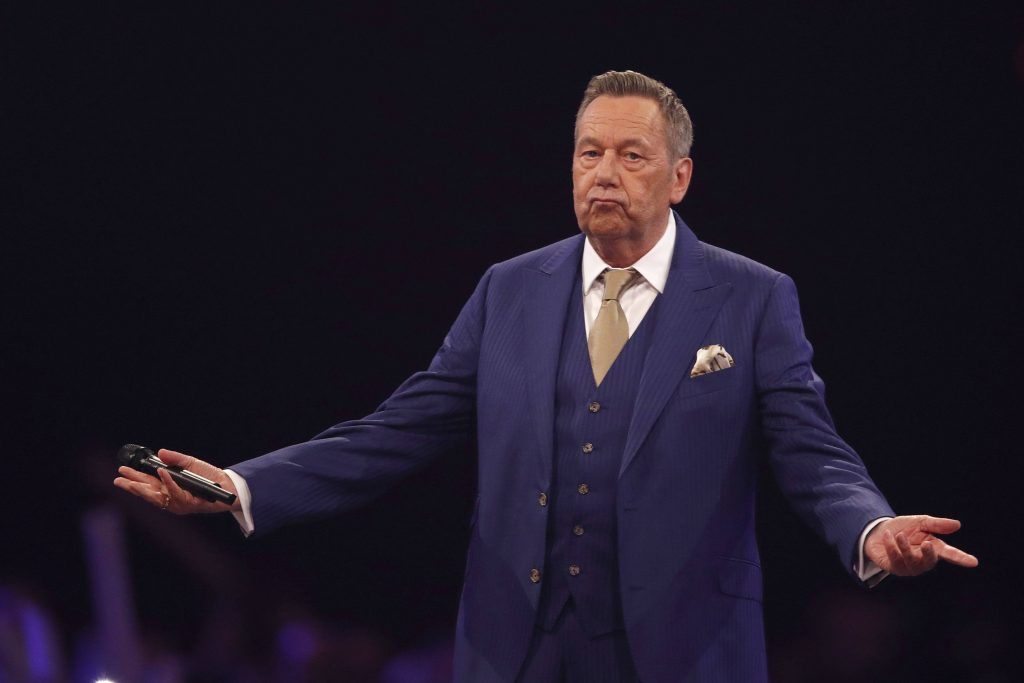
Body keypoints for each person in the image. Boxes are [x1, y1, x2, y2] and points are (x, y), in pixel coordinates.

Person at [114, 70, 978, 683]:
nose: (604, 172)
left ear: (679, 177)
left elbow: (810, 451)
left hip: (681, 651)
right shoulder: (509, 288)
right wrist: (240, 486)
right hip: (514, 648)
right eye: (588, 152)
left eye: (632, 155)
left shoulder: (752, 298)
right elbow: (395, 429)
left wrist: (872, 526)